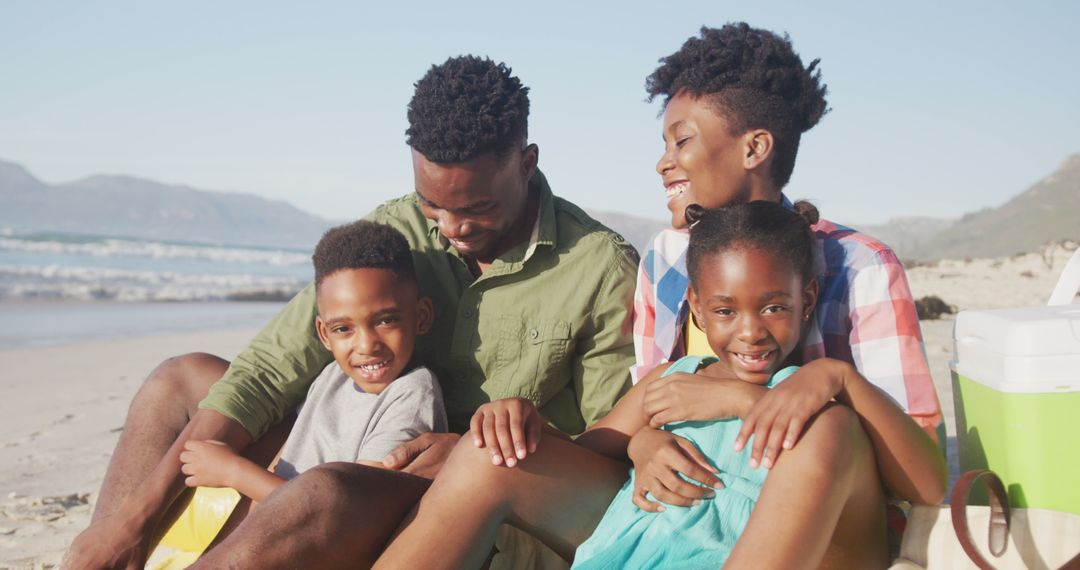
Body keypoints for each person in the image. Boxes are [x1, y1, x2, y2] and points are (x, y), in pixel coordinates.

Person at [64, 56, 638, 569]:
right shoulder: (397, 229)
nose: (452, 229)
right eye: (432, 204)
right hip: (351, 443)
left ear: (526, 161)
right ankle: (112, 553)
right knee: (180, 378)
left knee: (325, 490)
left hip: (446, 495)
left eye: (476, 208)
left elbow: (610, 446)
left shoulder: (600, 267)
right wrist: (131, 519)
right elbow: (267, 369)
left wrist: (471, 455)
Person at [373, 201, 946, 569]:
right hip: (639, 547)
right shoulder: (674, 383)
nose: (751, 331)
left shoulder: (824, 403)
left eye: (774, 307)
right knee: (485, 452)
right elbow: (589, 452)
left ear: (808, 301)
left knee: (834, 428)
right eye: (725, 311)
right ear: (695, 306)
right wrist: (534, 419)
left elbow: (927, 485)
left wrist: (833, 377)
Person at [146, 220, 446, 565]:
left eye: (385, 320)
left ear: (421, 317)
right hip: (270, 533)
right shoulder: (333, 376)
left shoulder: (411, 394)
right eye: (343, 329)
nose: (366, 345)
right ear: (323, 333)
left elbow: (338, 516)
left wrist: (233, 471)